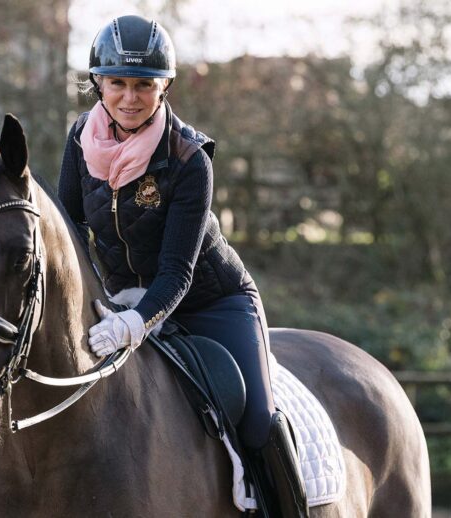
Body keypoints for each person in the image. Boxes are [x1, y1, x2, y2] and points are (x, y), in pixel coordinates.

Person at [57, 15, 308, 517]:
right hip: (121, 299)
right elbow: (69, 229)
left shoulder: (190, 159)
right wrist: (95, 301)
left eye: (144, 85)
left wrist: (135, 320)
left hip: (211, 302)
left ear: (164, 85)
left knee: (257, 419)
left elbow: (177, 272)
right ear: (98, 83)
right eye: (118, 83)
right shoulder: (81, 136)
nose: (130, 98)